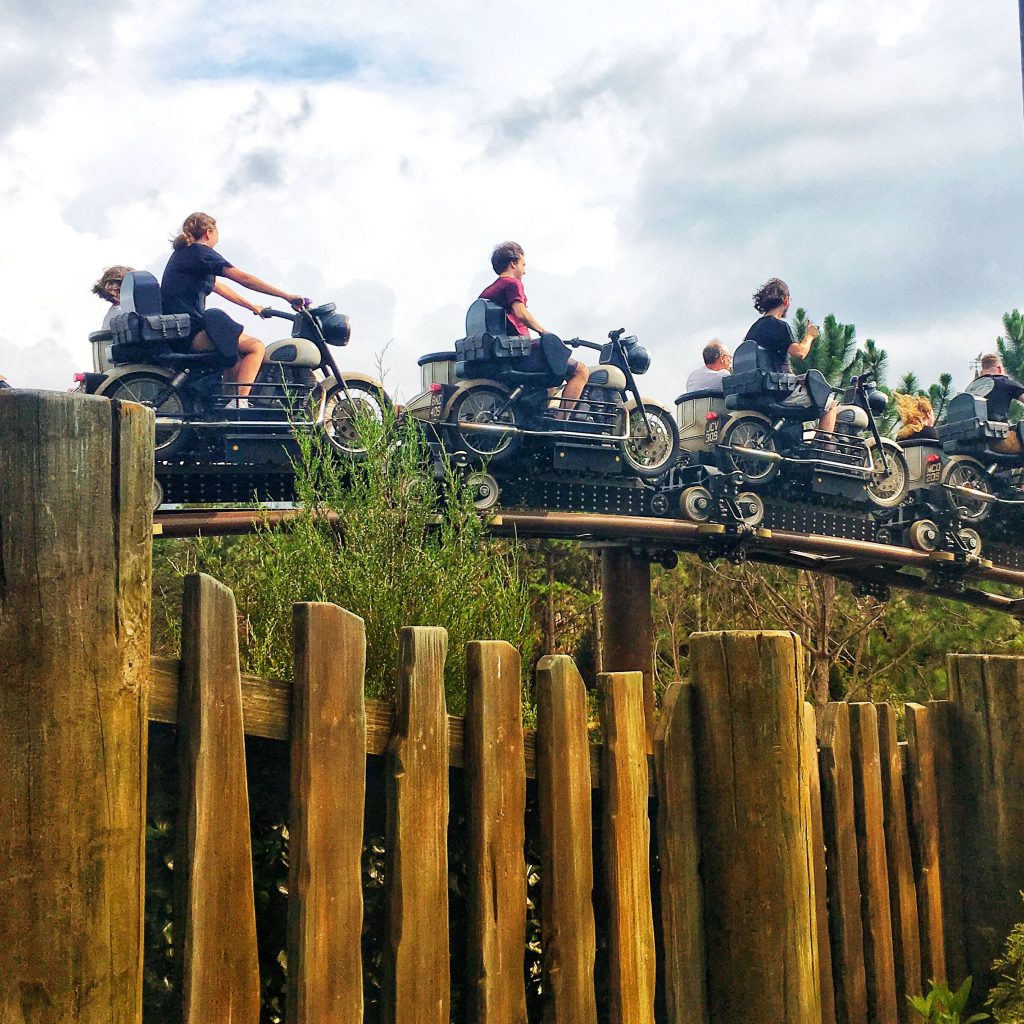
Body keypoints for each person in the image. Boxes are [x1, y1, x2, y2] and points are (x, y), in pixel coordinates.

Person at [160, 212, 306, 407]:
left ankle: (227, 405)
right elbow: (243, 279)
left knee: (234, 354)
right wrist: (286, 296)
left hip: (180, 330)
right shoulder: (200, 253)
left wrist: (253, 307)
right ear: (209, 232)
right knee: (255, 347)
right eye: (217, 231)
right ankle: (240, 402)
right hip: (189, 332)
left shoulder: (185, 256)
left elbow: (219, 288)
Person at [479, 241, 589, 415]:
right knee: (581, 371)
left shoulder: (488, 291)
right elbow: (520, 313)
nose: (524, 270)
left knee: (551, 380)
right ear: (513, 263)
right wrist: (544, 332)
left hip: (501, 356)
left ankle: (541, 419)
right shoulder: (512, 284)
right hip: (520, 354)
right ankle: (561, 424)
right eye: (523, 265)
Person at [744, 277, 837, 435]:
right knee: (830, 403)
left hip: (759, 393)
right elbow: (800, 352)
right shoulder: (779, 326)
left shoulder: (753, 330)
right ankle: (824, 451)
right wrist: (810, 336)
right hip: (779, 394)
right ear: (786, 301)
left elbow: (770, 364)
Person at [969, 353, 1024, 453]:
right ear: (999, 368)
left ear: (982, 371)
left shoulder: (970, 388)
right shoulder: (1004, 382)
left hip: (971, 442)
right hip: (998, 439)